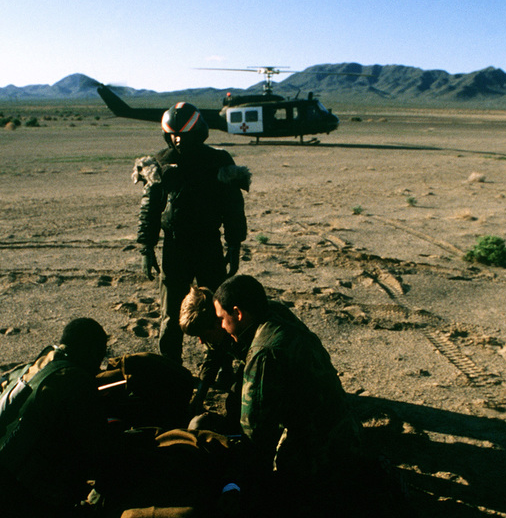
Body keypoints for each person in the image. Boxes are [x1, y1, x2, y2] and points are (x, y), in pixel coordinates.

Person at [0, 317, 121, 518]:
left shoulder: (42, 362)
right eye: (100, 355)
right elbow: (101, 453)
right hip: (3, 491)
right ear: (91, 351)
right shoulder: (75, 380)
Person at [213, 275, 362, 489]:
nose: (222, 326)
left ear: (238, 313)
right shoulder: (277, 316)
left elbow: (255, 436)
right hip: (347, 430)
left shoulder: (263, 353)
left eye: (222, 318)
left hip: (323, 453)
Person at [134, 102, 250, 363]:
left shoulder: (219, 161)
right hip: (174, 248)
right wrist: (146, 246)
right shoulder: (161, 163)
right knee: (170, 313)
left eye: (183, 134)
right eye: (173, 134)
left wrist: (234, 243)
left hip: (209, 245)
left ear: (198, 132)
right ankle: (170, 369)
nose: (177, 139)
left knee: (219, 309)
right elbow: (150, 208)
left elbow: (233, 206)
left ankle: (222, 364)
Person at [178, 285, 239, 420]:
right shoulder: (219, 330)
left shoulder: (242, 328)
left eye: (203, 335)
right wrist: (200, 394)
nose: (201, 341)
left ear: (218, 323)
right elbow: (213, 358)